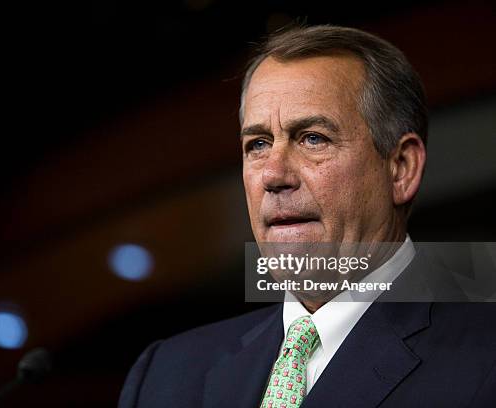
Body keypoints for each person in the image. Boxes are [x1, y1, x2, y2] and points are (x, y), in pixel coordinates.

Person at [118, 24, 496, 407]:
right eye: (258, 144)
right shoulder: (165, 374)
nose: (273, 175)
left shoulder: (484, 362)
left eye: (313, 138)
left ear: (401, 167)